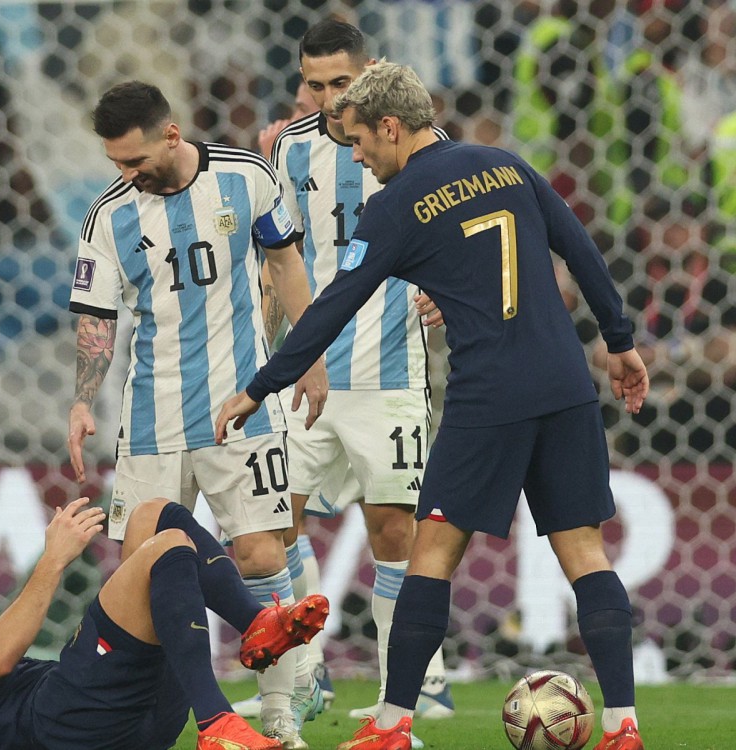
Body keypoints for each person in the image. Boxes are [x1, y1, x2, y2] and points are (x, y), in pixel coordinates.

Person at [215, 62, 650, 750]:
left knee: (432, 555)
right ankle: (625, 728)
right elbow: (580, 249)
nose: (356, 156)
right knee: (588, 555)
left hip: (489, 395)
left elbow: (333, 304)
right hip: (567, 382)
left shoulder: (397, 204)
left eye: (359, 141)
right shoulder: (505, 165)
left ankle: (391, 727)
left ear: (392, 127)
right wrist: (620, 342)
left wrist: (261, 384)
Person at [65, 80, 328, 748]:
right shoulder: (109, 217)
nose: (125, 175)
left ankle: (276, 720)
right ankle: (147, 724)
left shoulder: (247, 178)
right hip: (150, 416)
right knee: (144, 573)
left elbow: (285, 262)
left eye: (133, 161)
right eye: (115, 164)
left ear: (172, 135)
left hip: (243, 406)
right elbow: (96, 320)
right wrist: (81, 401)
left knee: (263, 551)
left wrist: (309, 352)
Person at [234, 21, 454, 736]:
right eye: (315, 83)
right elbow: (279, 255)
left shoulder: (424, 147)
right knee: (277, 522)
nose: (328, 98)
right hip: (311, 369)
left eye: (341, 83)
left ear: (372, 73)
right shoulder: (289, 149)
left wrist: (445, 290)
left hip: (390, 370)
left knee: (394, 528)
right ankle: (305, 678)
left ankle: (400, 704)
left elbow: (461, 240)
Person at [0, 497, 330, 750]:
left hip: (112, 720)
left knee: (156, 515)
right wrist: (52, 560)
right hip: (66, 721)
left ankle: (256, 622)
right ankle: (217, 722)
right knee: (167, 547)